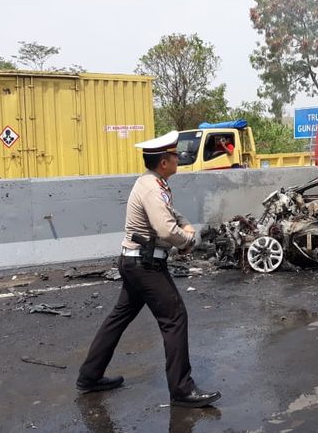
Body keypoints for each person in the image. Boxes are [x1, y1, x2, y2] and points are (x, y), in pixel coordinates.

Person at [76, 130, 221, 408]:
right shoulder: (153, 187)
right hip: (145, 265)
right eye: (174, 155)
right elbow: (165, 228)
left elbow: (171, 215)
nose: (178, 158)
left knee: (118, 318)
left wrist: (184, 224)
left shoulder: (152, 183)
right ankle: (182, 390)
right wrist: (188, 239)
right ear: (164, 162)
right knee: (175, 317)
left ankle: (89, 376)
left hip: (135, 262)